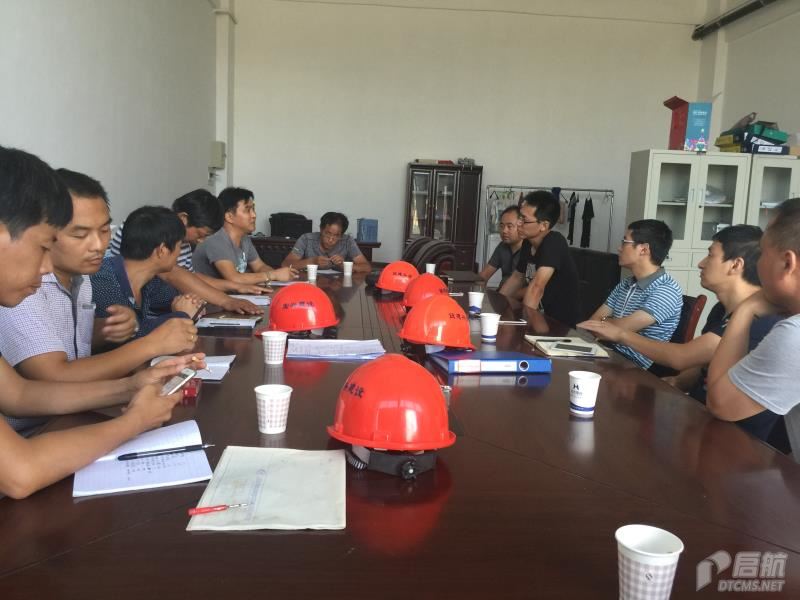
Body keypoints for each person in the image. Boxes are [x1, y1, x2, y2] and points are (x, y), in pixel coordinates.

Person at [0, 145, 201, 500]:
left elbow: (18, 394)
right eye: (43, 246)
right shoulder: (32, 290)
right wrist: (135, 420)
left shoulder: (82, 281)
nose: (46, 267)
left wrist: (131, 386)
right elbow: (21, 473)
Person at [0, 169, 201, 382]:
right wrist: (151, 345)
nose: (98, 245)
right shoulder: (23, 287)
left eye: (104, 231)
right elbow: (53, 378)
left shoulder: (82, 278)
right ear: (46, 233)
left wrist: (106, 329)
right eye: (80, 234)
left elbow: (71, 346)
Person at [579, 225, 775, 402]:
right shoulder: (720, 309)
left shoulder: (754, 317)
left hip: (731, 423)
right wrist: (679, 382)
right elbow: (701, 363)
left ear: (735, 265)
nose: (701, 263)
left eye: (710, 255)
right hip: (701, 406)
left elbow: (682, 357)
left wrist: (620, 333)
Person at [707, 198, 800, 441]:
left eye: (763, 252)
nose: (757, 263)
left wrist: (746, 309)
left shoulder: (794, 336)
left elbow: (720, 403)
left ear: (787, 263)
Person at [108, 188, 265, 313]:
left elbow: (190, 277)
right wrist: (227, 300)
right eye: (201, 234)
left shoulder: (184, 243)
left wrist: (233, 287)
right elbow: (173, 275)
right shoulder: (150, 228)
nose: (202, 241)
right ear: (184, 218)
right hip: (137, 307)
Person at [91, 206, 205, 338]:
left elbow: (173, 299)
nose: (179, 253)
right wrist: (182, 315)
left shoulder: (148, 278)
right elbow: (129, 337)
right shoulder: (105, 282)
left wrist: (190, 302)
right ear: (162, 250)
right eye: (179, 246)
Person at [582, 220, 682, 369]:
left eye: (624, 242)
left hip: (632, 367)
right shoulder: (626, 283)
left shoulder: (666, 290)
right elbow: (593, 323)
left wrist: (605, 322)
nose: (619, 248)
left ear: (643, 249)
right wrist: (605, 324)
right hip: (606, 354)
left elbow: (618, 331)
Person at [499, 191, 580, 327]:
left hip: (559, 325)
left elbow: (537, 287)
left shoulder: (554, 242)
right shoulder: (527, 242)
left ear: (544, 225)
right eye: (519, 218)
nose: (518, 224)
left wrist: (524, 324)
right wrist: (496, 306)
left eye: (524, 220)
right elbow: (517, 278)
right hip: (540, 318)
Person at [193, 187, 298, 285]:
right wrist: (273, 275)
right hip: (205, 296)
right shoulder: (216, 239)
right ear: (229, 217)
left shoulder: (244, 238)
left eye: (253, 209)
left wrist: (280, 276)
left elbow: (259, 266)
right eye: (247, 210)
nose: (254, 215)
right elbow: (233, 278)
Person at [281, 212, 371, 272]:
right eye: (327, 234)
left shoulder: (347, 241)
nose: (331, 239)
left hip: (338, 286)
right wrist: (312, 261)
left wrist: (344, 265)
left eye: (336, 236)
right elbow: (285, 265)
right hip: (310, 286)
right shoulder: (306, 239)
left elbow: (367, 267)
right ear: (321, 229)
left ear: (342, 235)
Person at [479, 205, 523, 289]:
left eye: (509, 226)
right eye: (502, 226)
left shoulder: (530, 250)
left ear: (521, 226)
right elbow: (485, 275)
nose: (504, 231)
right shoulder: (502, 246)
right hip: (501, 294)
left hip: (518, 296)